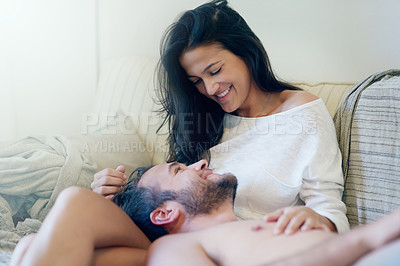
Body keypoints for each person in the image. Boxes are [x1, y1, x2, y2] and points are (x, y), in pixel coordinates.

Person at [92, 0, 349, 236]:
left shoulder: (299, 111)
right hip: (181, 248)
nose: (211, 89)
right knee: (82, 208)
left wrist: (316, 220)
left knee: (76, 208)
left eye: (214, 71)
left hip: (247, 249)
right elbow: (168, 203)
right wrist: (113, 198)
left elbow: (329, 210)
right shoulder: (205, 117)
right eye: (197, 81)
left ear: (246, 52)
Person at [11, 160, 400, 266]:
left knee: (31, 245)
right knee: (74, 202)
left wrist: (320, 223)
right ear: (164, 214)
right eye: (180, 171)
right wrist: (366, 238)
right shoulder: (174, 251)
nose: (199, 162)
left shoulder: (245, 230)